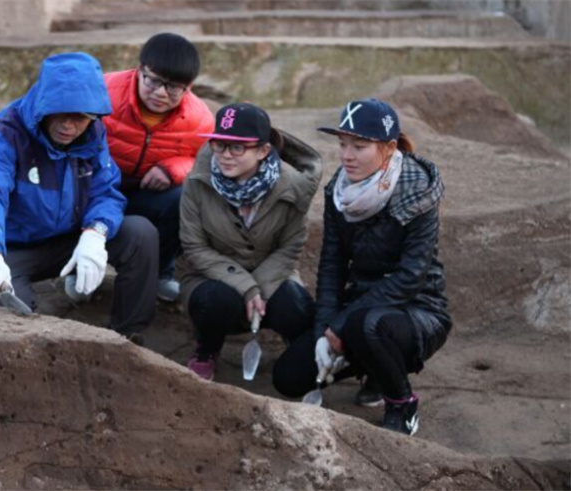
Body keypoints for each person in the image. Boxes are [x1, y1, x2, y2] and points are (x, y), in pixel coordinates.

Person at [272, 99, 451, 436]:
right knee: (288, 378)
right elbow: (332, 265)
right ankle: (370, 367)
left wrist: (340, 324)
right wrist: (325, 329)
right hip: (358, 308)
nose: (347, 155)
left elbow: (410, 278)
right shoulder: (339, 191)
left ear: (389, 148)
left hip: (416, 311)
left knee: (366, 326)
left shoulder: (418, 191)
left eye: (359, 145)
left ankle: (401, 401)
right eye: (342, 144)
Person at [0, 52, 158, 336]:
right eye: (60, 113)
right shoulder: (6, 132)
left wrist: (95, 233)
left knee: (140, 233)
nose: (68, 126)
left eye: (80, 118)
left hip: (66, 239)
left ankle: (129, 336)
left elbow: (106, 191)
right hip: (12, 248)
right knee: (5, 311)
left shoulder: (93, 133)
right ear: (43, 105)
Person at [180, 102, 323, 381]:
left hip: (272, 273)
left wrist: (261, 287)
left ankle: (298, 355)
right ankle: (206, 348)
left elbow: (290, 246)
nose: (224, 155)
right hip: (209, 275)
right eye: (219, 145)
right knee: (215, 302)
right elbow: (195, 247)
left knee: (296, 307)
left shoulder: (293, 187)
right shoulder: (197, 182)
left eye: (237, 147)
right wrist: (246, 287)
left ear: (263, 150)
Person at [103, 32, 214, 303]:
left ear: (189, 87)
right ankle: (77, 266)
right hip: (98, 185)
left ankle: (159, 272)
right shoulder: (102, 93)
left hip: (147, 191)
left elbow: (207, 161)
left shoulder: (199, 119)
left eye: (174, 87)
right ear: (139, 70)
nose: (161, 93)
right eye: (153, 81)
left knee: (186, 197)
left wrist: (174, 169)